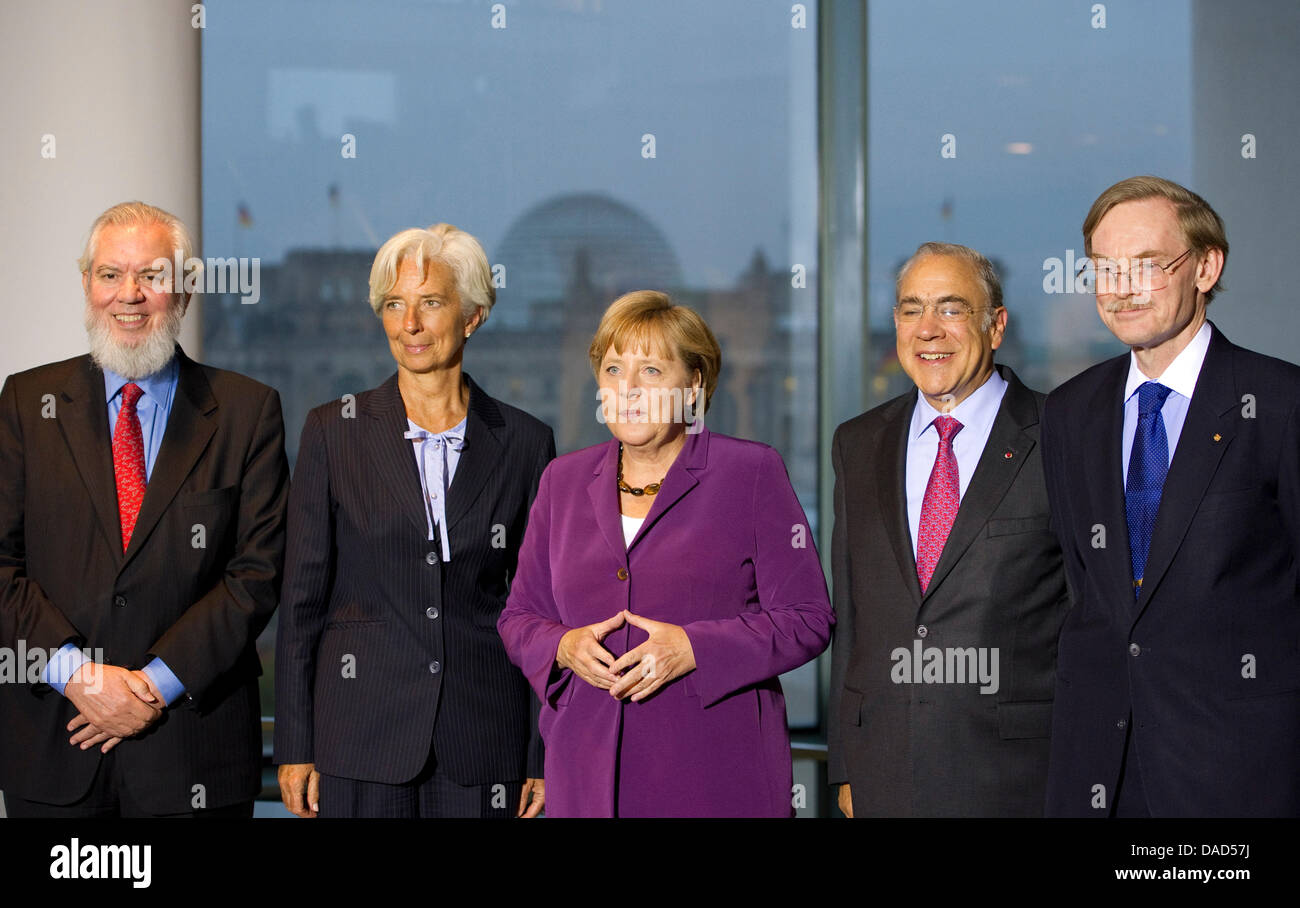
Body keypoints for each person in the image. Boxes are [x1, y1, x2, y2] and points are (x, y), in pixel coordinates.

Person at [0, 201, 289, 817]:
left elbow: (257, 575)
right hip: (56, 752)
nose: (129, 295)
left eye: (153, 276)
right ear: (86, 285)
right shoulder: (27, 402)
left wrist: (153, 689)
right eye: (110, 275)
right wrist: (80, 676)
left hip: (193, 758)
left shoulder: (247, 412)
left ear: (183, 290)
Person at [497, 291, 832, 817]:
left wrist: (695, 648)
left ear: (694, 384)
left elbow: (809, 619)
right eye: (612, 369)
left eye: (650, 371)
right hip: (586, 780)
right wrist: (562, 645)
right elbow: (519, 618)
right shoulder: (561, 480)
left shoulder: (751, 473)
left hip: (716, 778)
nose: (627, 389)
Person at [274, 224, 553, 818]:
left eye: (430, 303)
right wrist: (295, 746)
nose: (410, 325)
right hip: (358, 743)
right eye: (395, 305)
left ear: (473, 315)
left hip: (484, 744)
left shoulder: (527, 443)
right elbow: (301, 603)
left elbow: (540, 609)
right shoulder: (333, 431)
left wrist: (540, 752)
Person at [1042, 175, 1300, 817]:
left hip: (1240, 774)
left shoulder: (1280, 403)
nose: (1121, 288)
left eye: (1147, 265)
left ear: (1206, 267)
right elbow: (1088, 590)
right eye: (1104, 268)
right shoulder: (1069, 412)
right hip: (1096, 773)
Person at [827, 243, 1070, 817]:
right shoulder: (857, 443)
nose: (928, 329)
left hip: (1019, 777)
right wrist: (845, 763)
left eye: (951, 308)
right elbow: (853, 619)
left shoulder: (1062, 436)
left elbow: (1090, 615)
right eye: (911, 309)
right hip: (882, 772)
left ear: (996, 326)